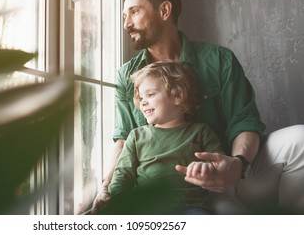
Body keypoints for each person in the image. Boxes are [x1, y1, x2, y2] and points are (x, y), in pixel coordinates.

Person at [92, 0, 304, 214]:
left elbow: (244, 121)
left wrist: (237, 164)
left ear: (164, 10)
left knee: (300, 139)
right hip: (166, 186)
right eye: (124, 16)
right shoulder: (127, 75)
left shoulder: (220, 60)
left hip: (230, 173)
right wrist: (105, 188)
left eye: (134, 12)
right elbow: (122, 141)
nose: (126, 24)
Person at [94, 61, 228, 214]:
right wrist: (113, 199)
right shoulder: (136, 136)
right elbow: (123, 173)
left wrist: (208, 168)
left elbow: (218, 162)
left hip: (191, 206)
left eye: (150, 95)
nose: (143, 102)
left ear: (177, 96)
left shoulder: (201, 131)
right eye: (141, 97)